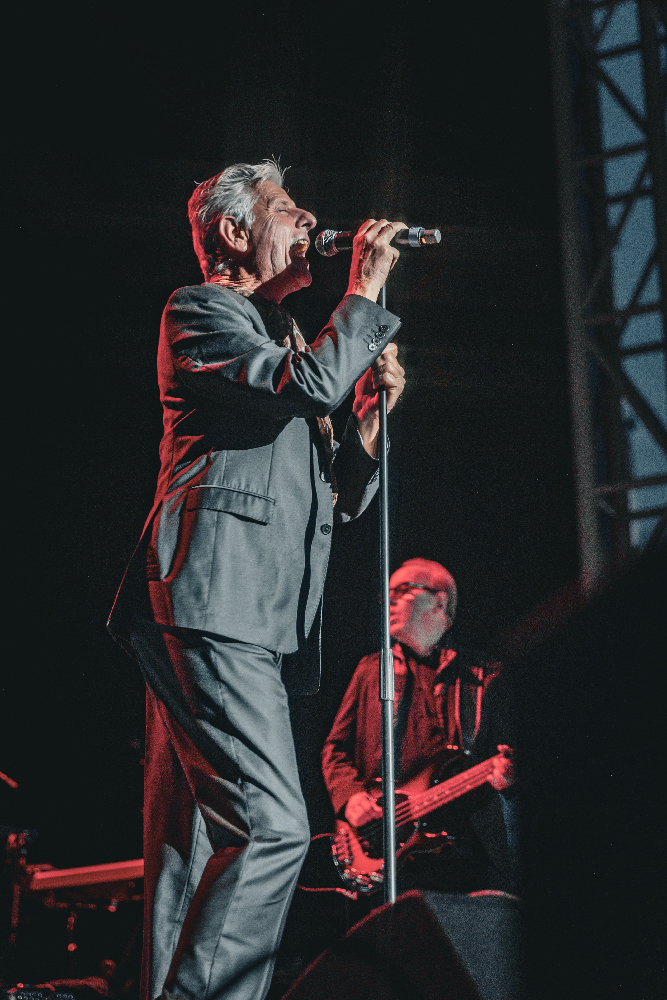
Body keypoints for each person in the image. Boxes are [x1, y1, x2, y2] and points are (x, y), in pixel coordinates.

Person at [107, 159, 407, 1000]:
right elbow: (305, 383)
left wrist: (367, 428)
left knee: (191, 847)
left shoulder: (280, 341)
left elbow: (333, 501)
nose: (309, 217)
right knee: (274, 827)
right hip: (211, 599)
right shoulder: (201, 311)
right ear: (236, 233)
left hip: (248, 614)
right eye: (287, 207)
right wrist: (368, 289)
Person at [322, 557, 517, 897]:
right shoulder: (372, 670)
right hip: (388, 851)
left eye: (402, 590)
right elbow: (335, 750)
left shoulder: (487, 676)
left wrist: (509, 779)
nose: (389, 598)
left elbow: (509, 754)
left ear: (440, 602)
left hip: (469, 855)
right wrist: (350, 798)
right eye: (387, 592)